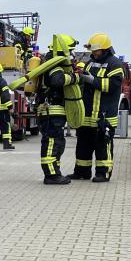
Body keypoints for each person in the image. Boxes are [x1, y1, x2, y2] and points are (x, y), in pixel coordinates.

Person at [12, 33, 79, 185]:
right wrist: (74, 78)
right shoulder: (54, 65)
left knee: (58, 142)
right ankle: (51, 175)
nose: (72, 54)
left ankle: (55, 172)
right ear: (63, 50)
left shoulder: (48, 62)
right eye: (70, 50)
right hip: (52, 111)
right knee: (52, 142)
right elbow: (57, 80)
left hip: (50, 110)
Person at [72, 32, 125, 182]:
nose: (94, 53)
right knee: (83, 145)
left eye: (96, 51)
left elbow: (113, 86)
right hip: (87, 115)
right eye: (93, 51)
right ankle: (82, 172)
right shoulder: (91, 61)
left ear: (105, 49)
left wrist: (91, 80)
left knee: (103, 146)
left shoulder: (115, 64)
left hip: (104, 116)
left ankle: (103, 173)